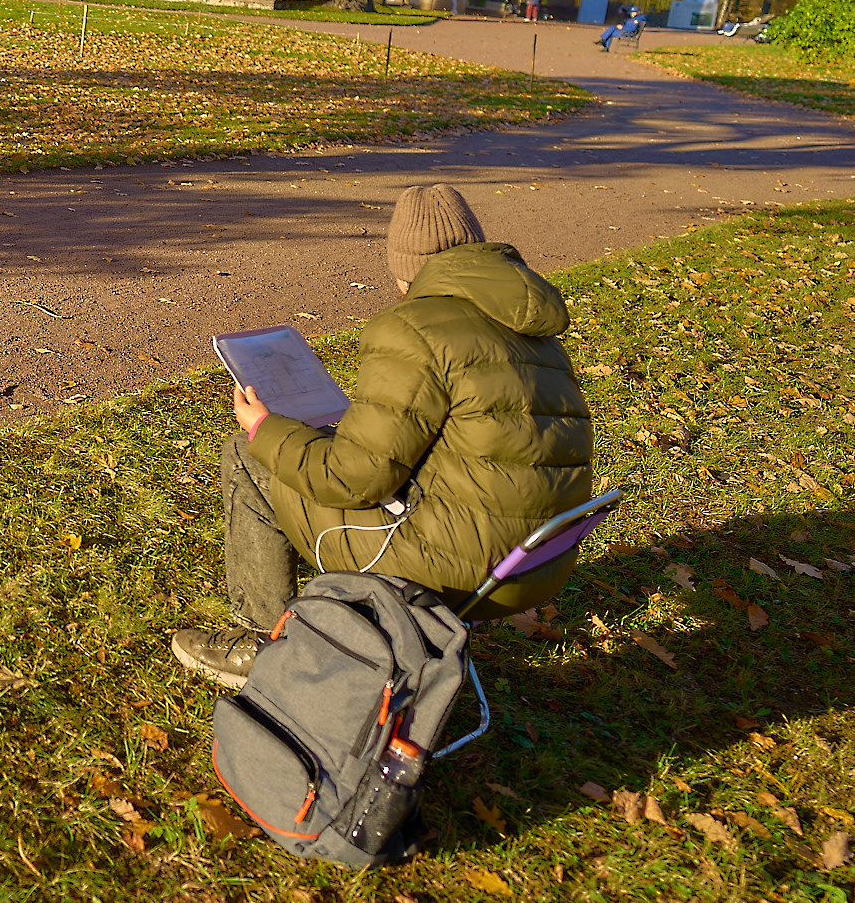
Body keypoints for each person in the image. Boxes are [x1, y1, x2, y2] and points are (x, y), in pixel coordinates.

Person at [171, 184, 594, 687]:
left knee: (249, 454)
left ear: (404, 270)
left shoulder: (413, 326)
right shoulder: (537, 334)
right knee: (314, 442)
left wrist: (265, 428)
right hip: (533, 566)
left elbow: (352, 480)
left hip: (449, 571)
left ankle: (263, 643)